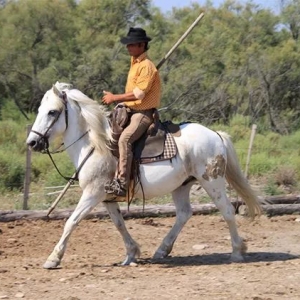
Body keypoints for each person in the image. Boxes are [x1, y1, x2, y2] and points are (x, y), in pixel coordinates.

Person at [102, 27, 161, 201]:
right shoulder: (135, 62)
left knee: (125, 139)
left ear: (142, 45)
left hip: (142, 113)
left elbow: (139, 94)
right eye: (128, 44)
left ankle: (122, 183)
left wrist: (114, 97)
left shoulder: (147, 67)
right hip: (129, 110)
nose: (128, 47)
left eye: (132, 44)